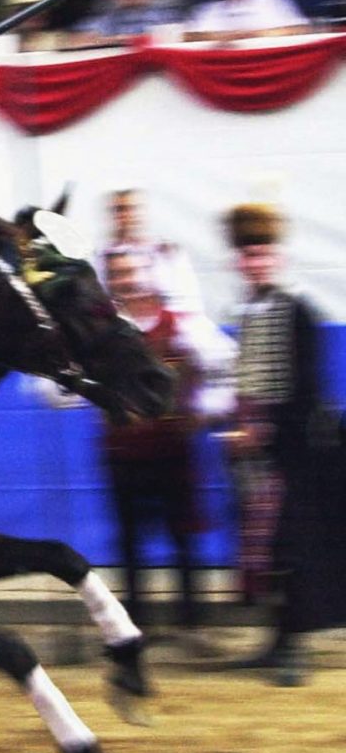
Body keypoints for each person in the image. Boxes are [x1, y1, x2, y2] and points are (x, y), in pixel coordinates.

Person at [219, 204, 346, 685]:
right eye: (248, 255)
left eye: (262, 253)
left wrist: (265, 429)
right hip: (256, 455)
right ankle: (276, 639)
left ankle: (294, 646)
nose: (255, 262)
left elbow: (309, 391)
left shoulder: (298, 312)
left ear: (276, 256)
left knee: (294, 550)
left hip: (297, 455)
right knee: (265, 552)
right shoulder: (246, 312)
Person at [101, 248, 235, 639]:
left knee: (183, 537)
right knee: (128, 542)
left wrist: (205, 412)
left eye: (134, 273)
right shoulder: (104, 329)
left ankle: (192, 622)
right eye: (120, 274)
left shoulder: (185, 326)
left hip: (172, 451)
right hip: (121, 453)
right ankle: (135, 625)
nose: (128, 281)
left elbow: (226, 367)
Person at [99, 187, 203, 315]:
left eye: (131, 209)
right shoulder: (100, 258)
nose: (126, 215)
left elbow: (187, 299)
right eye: (119, 209)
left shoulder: (168, 252)